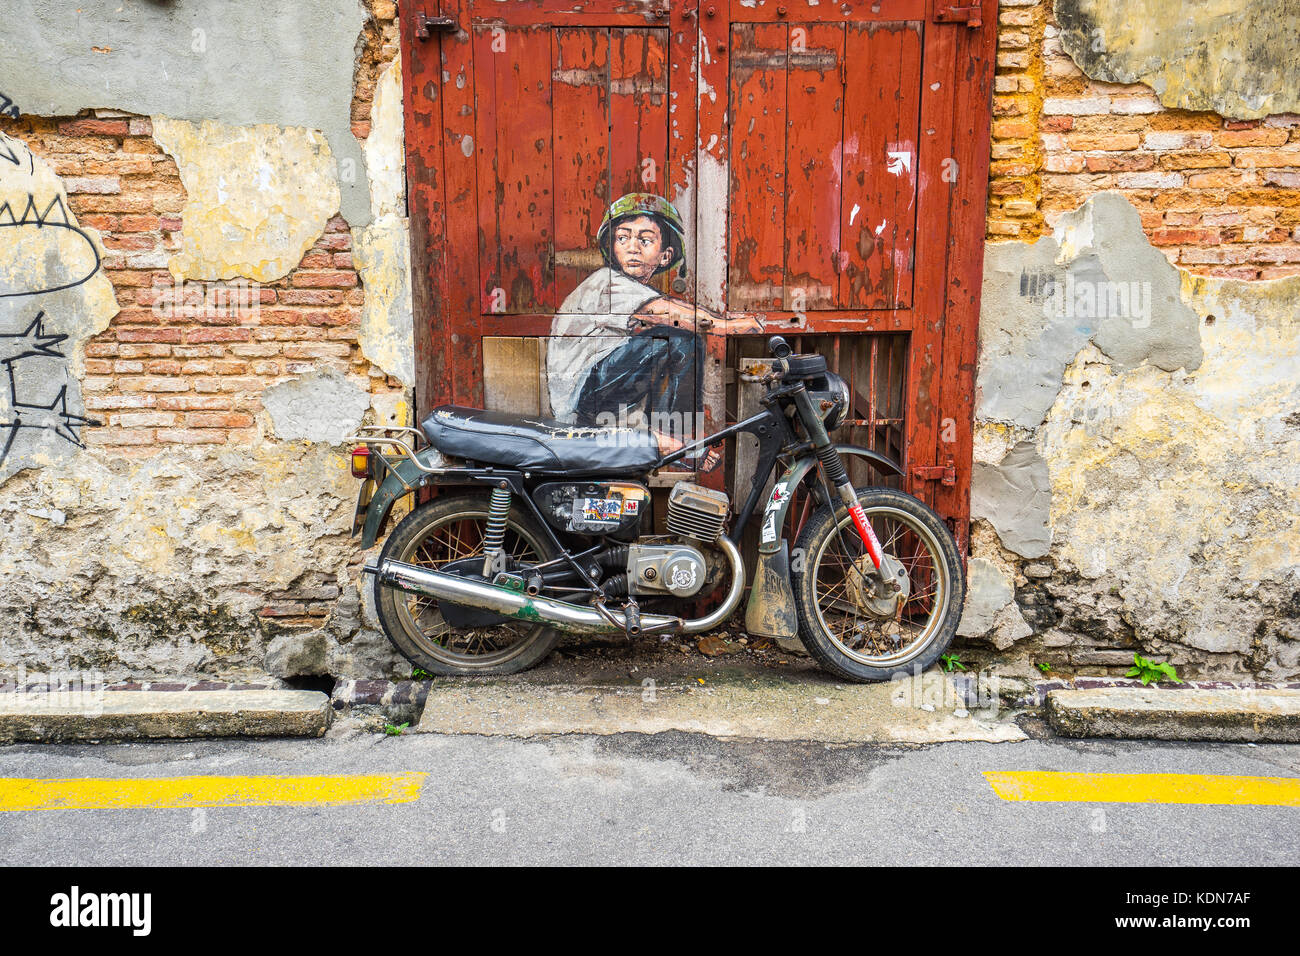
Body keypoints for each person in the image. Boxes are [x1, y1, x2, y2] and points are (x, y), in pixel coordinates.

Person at [546, 193, 762, 469]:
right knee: (678, 340)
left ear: (665, 256)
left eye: (645, 240)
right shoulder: (609, 283)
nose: (632, 247)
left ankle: (671, 441)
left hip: (594, 396)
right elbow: (673, 314)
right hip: (580, 401)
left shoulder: (631, 290)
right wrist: (731, 326)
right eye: (623, 238)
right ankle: (673, 442)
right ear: (612, 247)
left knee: (671, 341)